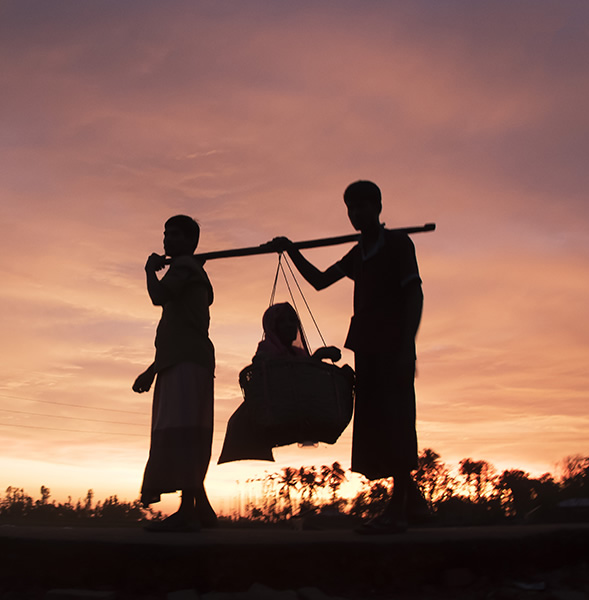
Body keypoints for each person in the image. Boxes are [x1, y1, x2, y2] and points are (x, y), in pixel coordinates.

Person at [270, 180, 427, 534]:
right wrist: (291, 250)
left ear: (378, 207)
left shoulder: (399, 245)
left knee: (397, 420)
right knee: (377, 422)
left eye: (362, 207)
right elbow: (321, 281)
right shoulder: (359, 253)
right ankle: (414, 504)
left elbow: (414, 296)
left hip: (393, 347)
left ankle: (398, 509)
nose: (356, 214)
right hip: (367, 347)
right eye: (350, 208)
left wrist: (407, 346)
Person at [132, 215, 217, 532]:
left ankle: (187, 511)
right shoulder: (190, 269)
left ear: (190, 241)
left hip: (186, 362)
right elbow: (179, 330)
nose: (167, 240)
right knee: (185, 429)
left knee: (181, 430)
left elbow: (158, 297)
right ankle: (202, 509)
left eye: (175, 235)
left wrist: (149, 271)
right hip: (181, 359)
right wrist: (152, 370)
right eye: (165, 234)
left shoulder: (184, 269)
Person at [217, 302, 342, 464]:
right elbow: (282, 381)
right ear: (273, 327)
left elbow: (303, 381)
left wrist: (317, 358)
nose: (290, 325)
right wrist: (315, 359)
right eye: (284, 321)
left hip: (299, 412)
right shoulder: (265, 353)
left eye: (292, 321)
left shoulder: (298, 354)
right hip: (279, 411)